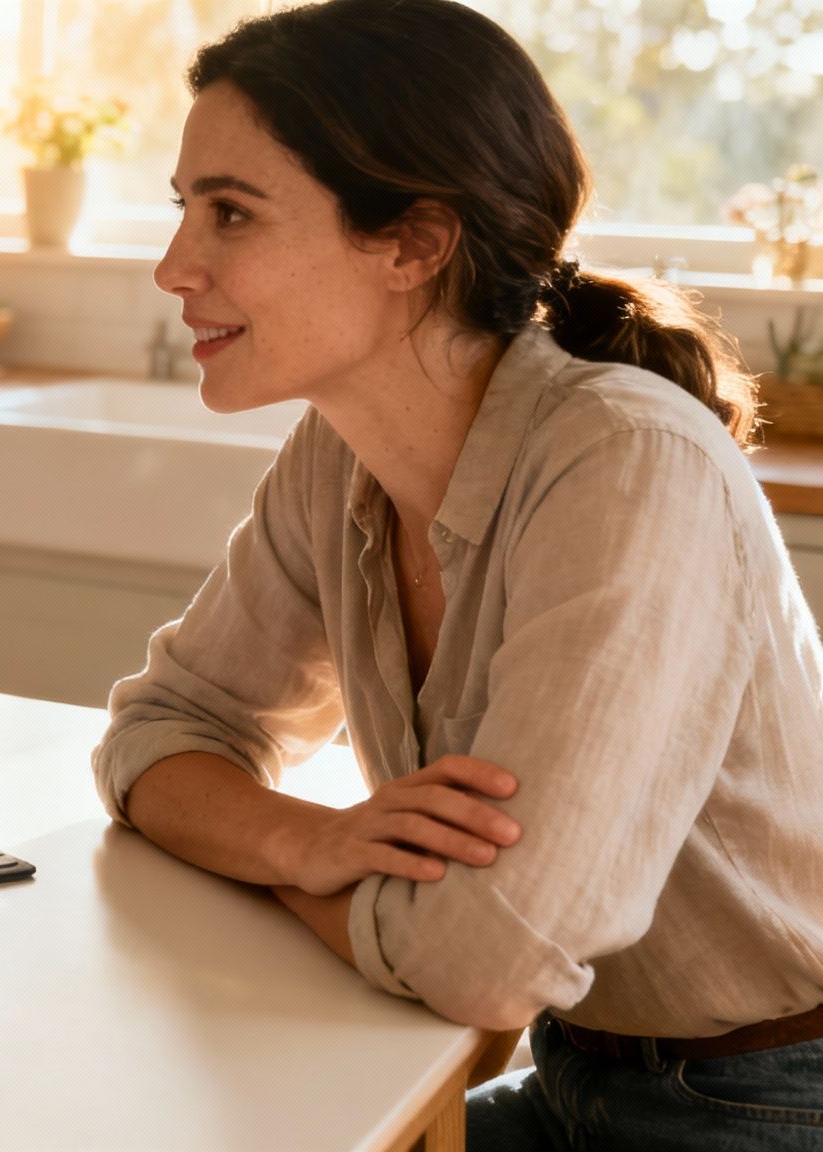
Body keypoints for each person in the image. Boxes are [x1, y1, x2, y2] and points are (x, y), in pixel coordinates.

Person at [91, 0, 823, 1145]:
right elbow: (158, 736)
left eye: (230, 213)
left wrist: (271, 865)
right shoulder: (339, 450)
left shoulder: (625, 463)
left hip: (768, 1100)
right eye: (183, 208)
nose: (174, 266)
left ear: (412, 243)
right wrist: (304, 840)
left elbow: (487, 960)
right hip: (574, 1075)